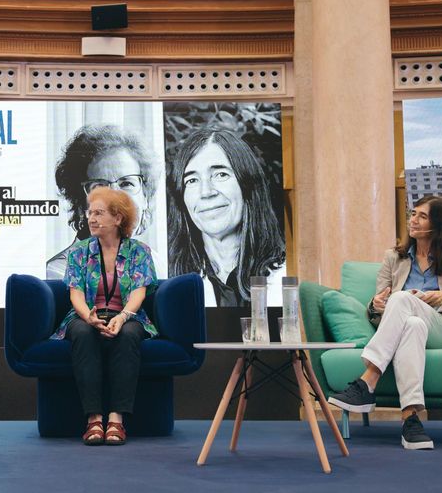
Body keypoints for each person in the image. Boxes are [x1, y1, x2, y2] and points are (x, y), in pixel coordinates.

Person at [327, 196, 442, 450]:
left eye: (422, 216)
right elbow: (379, 301)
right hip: (409, 326)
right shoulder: (394, 257)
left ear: (439, 224)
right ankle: (411, 419)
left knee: (402, 300)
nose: (413, 220)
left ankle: (367, 380)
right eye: (413, 214)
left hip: (441, 327)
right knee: (411, 323)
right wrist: (375, 304)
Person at [52, 187, 158, 446]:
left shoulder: (139, 251)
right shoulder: (78, 252)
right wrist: (88, 316)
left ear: (118, 218)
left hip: (128, 314)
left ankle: (116, 419)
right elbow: (75, 293)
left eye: (99, 213)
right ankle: (94, 419)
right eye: (90, 212)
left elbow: (139, 292)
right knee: (81, 332)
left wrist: (122, 318)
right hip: (86, 315)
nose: (91, 218)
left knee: (129, 333)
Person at [167, 128, 284, 307]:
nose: (206, 192)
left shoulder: (287, 275)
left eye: (220, 174)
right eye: (192, 180)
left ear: (248, 185)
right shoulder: (169, 281)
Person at [47, 124, 159, 279]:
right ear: (79, 203)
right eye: (99, 185)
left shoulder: (156, 264)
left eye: (127, 183)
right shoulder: (58, 274)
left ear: (145, 197)